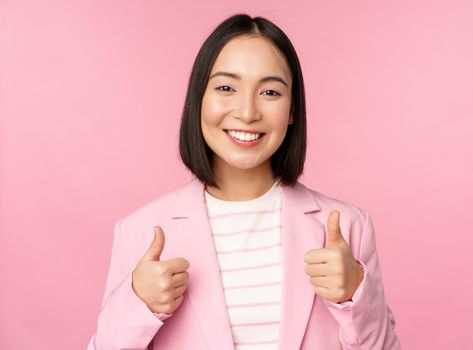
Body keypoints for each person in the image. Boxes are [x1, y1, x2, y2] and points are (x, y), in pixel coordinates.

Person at [87, 13, 401, 350]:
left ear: (292, 110)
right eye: (226, 87)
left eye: (269, 91)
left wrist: (355, 294)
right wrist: (137, 304)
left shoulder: (351, 226)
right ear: (199, 99)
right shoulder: (139, 231)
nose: (248, 112)